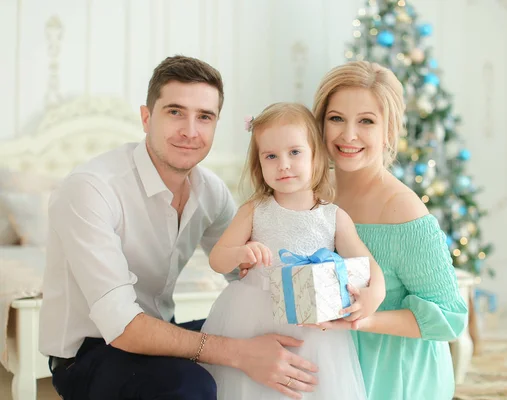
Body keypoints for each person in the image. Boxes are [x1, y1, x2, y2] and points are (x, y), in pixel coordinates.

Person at [38, 56, 318, 400]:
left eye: (204, 117)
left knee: (289, 347)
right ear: (146, 118)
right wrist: (241, 353)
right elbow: (123, 327)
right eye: (175, 112)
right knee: (194, 383)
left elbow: (249, 272)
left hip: (159, 334)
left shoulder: (210, 190)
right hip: (91, 354)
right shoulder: (90, 189)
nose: (190, 131)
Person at [201, 102, 385, 399]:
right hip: (252, 317)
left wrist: (377, 292)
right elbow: (217, 260)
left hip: (312, 325)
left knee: (308, 386)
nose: (283, 164)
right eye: (271, 156)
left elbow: (364, 262)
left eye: (295, 152)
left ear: (316, 156)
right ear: (259, 163)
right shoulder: (255, 210)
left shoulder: (333, 216)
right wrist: (240, 254)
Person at [310, 61, 469, 400]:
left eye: (366, 121)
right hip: (331, 364)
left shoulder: (402, 210)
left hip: (393, 376)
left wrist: (361, 321)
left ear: (389, 130)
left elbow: (451, 319)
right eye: (336, 118)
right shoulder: (316, 193)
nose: (348, 135)